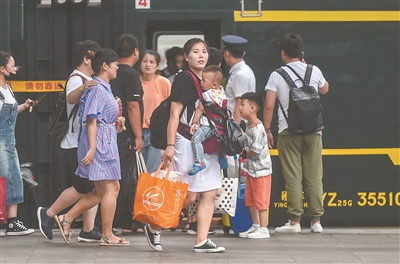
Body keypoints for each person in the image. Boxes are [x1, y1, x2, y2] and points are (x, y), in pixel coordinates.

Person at [144, 38, 225, 253]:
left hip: (209, 143)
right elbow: (174, 114)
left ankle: (201, 240)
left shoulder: (209, 79)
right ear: (186, 57)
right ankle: (154, 226)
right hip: (187, 140)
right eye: (195, 52)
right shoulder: (183, 79)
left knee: (209, 191)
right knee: (186, 193)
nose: (201, 55)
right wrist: (170, 145)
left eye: (204, 51)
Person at [55, 49, 129, 246]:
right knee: (112, 188)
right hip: (100, 143)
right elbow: (91, 119)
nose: (117, 67)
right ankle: (107, 235)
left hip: (104, 140)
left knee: (99, 192)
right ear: (105, 65)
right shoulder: (97, 88)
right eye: (115, 64)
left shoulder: (104, 87)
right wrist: (93, 147)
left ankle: (67, 218)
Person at [263, 32, 329, 233]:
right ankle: (316, 222)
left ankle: (295, 222)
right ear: (301, 52)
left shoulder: (277, 75)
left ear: (283, 53)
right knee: (314, 175)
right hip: (313, 131)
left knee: (293, 176)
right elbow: (325, 89)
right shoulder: (314, 70)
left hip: (288, 131)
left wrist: (267, 130)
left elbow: (268, 106)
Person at [37, 40, 102, 243]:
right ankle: (49, 213)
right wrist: (84, 87)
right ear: (86, 59)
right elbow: (71, 98)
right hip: (76, 143)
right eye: (96, 59)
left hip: (85, 142)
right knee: (84, 186)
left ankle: (88, 229)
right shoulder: (77, 79)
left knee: (95, 187)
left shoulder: (88, 78)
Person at [110, 34, 145, 234]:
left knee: (114, 177)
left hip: (110, 132)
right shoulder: (131, 75)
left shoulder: (111, 72)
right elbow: (133, 106)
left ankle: (115, 219)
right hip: (124, 134)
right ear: (135, 52)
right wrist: (138, 136)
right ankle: (120, 219)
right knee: (124, 177)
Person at [0, 51, 36, 236]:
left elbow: (12, 112)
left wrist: (24, 106)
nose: (15, 68)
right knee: (2, 179)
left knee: (13, 178)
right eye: (12, 65)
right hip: (0, 141)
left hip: (9, 141)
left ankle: (12, 222)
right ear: (2, 68)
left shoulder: (8, 89)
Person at [236, 92, 272, 239]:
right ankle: (256, 226)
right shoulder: (247, 125)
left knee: (261, 200)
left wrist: (243, 154)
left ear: (252, 108)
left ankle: (264, 229)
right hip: (251, 170)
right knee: (250, 199)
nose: (239, 107)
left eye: (242, 104)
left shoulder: (257, 128)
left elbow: (256, 150)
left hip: (261, 171)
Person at [221, 35, 256, 178]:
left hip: (237, 127)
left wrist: (234, 133)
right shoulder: (244, 71)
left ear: (227, 53)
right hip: (241, 126)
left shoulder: (239, 75)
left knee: (233, 172)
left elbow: (239, 104)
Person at [189, 65, 227, 175]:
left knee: (196, 139)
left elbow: (200, 109)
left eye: (204, 80)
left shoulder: (207, 96)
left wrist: (194, 122)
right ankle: (222, 156)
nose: (201, 82)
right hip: (221, 126)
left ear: (214, 84)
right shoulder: (222, 93)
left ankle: (199, 162)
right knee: (219, 140)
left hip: (209, 126)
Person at [140, 50, 171, 173]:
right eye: (145, 61)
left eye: (152, 62)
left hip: (156, 134)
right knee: (139, 173)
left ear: (157, 65)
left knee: (152, 172)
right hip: (138, 134)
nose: (148, 65)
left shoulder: (163, 82)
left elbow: (170, 110)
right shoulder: (135, 82)